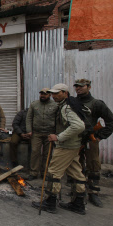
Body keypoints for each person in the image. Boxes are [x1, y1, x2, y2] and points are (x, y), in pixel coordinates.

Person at [32, 83, 86, 215]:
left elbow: (78, 126)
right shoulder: (69, 104)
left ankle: (50, 202)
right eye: (53, 93)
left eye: (57, 93)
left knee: (53, 172)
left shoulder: (67, 108)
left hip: (66, 146)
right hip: (73, 145)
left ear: (65, 92)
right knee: (76, 173)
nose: (54, 96)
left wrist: (58, 137)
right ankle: (78, 203)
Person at [74, 78, 113, 207]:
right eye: (76, 86)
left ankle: (93, 193)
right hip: (76, 139)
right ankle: (78, 191)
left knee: (93, 165)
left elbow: (111, 121)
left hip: (90, 139)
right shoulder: (73, 102)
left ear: (89, 87)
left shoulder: (97, 104)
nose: (78, 88)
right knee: (77, 165)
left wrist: (100, 136)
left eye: (82, 86)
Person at [25, 88, 58, 180]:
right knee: (35, 152)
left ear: (50, 95)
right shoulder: (34, 104)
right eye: (41, 94)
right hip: (36, 133)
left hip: (49, 133)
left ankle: (45, 173)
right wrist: (29, 130)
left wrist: (56, 133)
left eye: (45, 94)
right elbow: (29, 118)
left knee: (47, 154)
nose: (43, 95)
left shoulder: (55, 105)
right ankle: (34, 172)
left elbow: (58, 120)